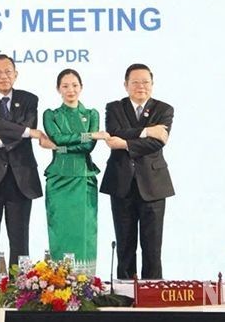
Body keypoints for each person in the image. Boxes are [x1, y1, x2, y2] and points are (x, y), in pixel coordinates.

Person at [0, 54, 55, 284]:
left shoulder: (29, 99)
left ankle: (20, 287)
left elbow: (25, 128)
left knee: (20, 238)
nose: (3, 76)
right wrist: (24, 132)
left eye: (8, 71)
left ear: (16, 74)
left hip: (20, 177)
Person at [101, 63, 173, 279]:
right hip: (121, 183)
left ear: (152, 84)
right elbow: (115, 131)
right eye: (135, 82)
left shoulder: (164, 109)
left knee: (152, 248)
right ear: (126, 85)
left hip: (153, 184)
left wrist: (125, 143)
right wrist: (147, 130)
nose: (141, 86)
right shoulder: (114, 107)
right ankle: (124, 295)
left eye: (145, 82)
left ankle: (152, 297)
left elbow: (157, 143)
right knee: (125, 245)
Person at [42, 69, 108, 271]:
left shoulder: (91, 114)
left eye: (75, 85)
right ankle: (58, 279)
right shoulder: (50, 114)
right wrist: (89, 135)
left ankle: (85, 282)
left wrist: (60, 148)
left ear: (81, 87)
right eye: (65, 86)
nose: (70, 90)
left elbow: (87, 147)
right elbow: (58, 138)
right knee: (59, 229)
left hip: (83, 176)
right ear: (58, 89)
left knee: (85, 230)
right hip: (59, 178)